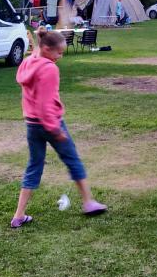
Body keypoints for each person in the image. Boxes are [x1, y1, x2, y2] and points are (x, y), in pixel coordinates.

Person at [11, 27, 107, 228]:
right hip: (49, 124)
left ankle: (19, 215)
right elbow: (45, 104)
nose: (60, 56)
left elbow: (31, 71)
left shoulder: (28, 62)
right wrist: (55, 129)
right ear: (46, 48)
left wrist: (39, 39)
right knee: (72, 159)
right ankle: (88, 202)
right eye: (59, 52)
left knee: (34, 165)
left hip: (32, 124)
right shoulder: (49, 69)